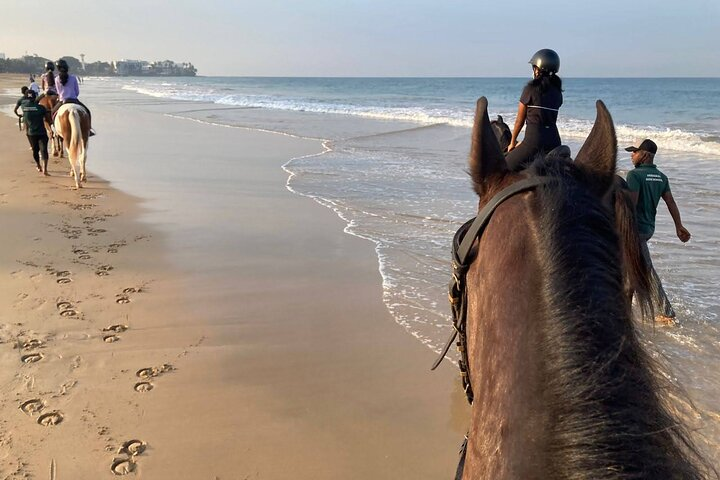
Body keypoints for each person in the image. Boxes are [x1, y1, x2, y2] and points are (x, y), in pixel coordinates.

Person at [625, 139, 691, 323]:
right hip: (648, 228)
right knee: (629, 266)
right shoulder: (661, 177)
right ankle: (625, 308)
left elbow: (631, 204)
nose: (632, 155)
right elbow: (670, 202)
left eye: (634, 152)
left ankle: (667, 313)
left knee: (646, 270)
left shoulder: (634, 176)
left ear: (644, 154)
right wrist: (679, 226)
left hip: (634, 230)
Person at [506, 49, 564, 171]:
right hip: (554, 141)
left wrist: (512, 143)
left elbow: (519, 121)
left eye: (534, 67)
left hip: (534, 141)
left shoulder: (530, 89)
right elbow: (547, 119)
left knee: (503, 169)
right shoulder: (558, 92)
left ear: (537, 69)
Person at [53, 58, 95, 135]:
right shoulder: (73, 78)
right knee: (87, 111)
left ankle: (55, 129)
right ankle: (89, 129)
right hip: (74, 100)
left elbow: (58, 92)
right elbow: (77, 92)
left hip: (63, 101)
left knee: (53, 113)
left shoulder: (56, 79)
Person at [20, 90, 51, 175]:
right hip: (41, 132)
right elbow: (48, 119)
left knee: (35, 151)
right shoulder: (41, 108)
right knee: (44, 150)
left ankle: (38, 165)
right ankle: (45, 169)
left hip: (31, 133)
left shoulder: (25, 108)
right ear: (35, 97)